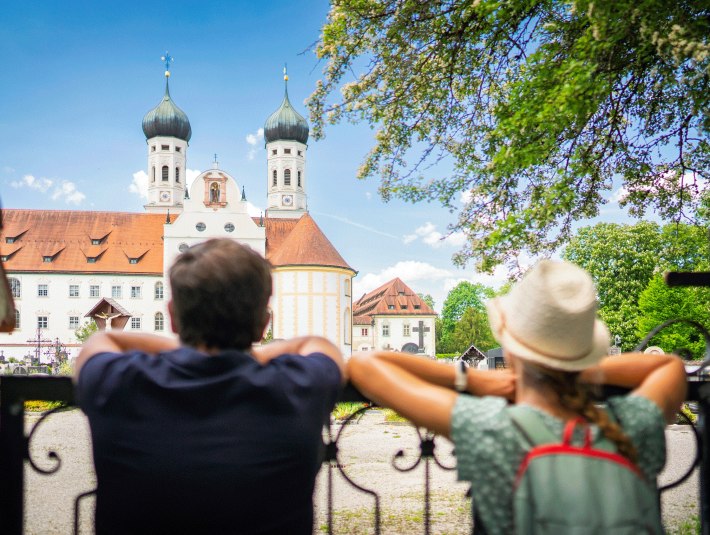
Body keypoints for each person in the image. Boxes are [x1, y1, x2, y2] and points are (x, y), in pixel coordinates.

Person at [348, 259, 687, 534]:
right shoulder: (633, 425)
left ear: (511, 352)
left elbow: (366, 365)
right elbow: (668, 368)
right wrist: (575, 371)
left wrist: (478, 381)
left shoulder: (493, 428)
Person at [75, 238, 345, 535]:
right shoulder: (297, 386)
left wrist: (185, 346)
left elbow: (102, 340)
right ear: (264, 324)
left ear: (173, 317)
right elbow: (317, 344)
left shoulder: (119, 380)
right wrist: (251, 352)